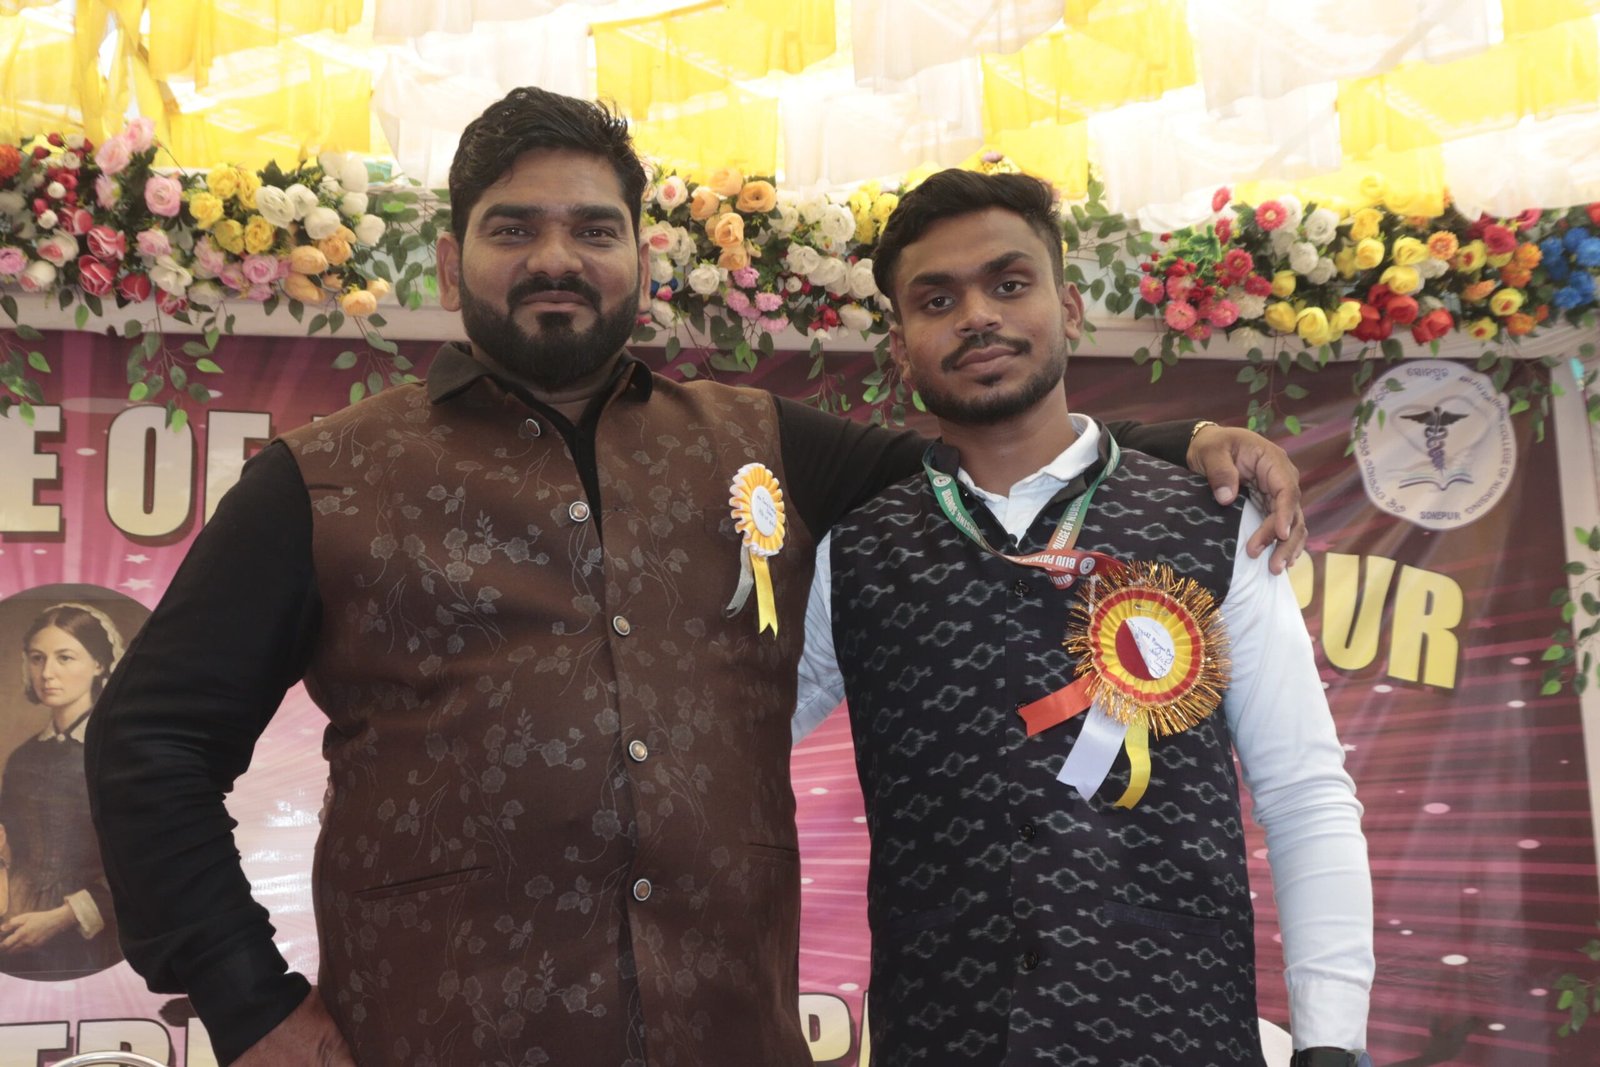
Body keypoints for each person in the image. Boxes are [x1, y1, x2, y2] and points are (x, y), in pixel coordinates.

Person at [85, 87, 1308, 1067]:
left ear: (641, 258)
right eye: (514, 229)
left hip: (727, 1030)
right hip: (436, 1030)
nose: (555, 257)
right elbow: (150, 740)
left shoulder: (760, 441)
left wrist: (1181, 445)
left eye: (592, 229)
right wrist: (248, 1001)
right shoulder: (326, 476)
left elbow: (988, 458)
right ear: (452, 262)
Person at [792, 169, 1374, 1067]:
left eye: (1008, 283)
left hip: (1176, 1036)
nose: (977, 316)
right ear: (901, 348)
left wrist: (1331, 1043)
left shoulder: (1213, 518)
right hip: (944, 1038)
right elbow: (731, 748)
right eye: (937, 300)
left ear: (1068, 308)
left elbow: (1303, 791)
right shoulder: (854, 552)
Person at [0, 602, 125, 980]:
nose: (47, 673)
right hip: (14, 928)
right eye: (37, 658)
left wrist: (62, 917)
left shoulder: (120, 752)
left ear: (99, 664)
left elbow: (145, 861)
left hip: (92, 937)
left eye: (64, 657)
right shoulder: (22, 757)